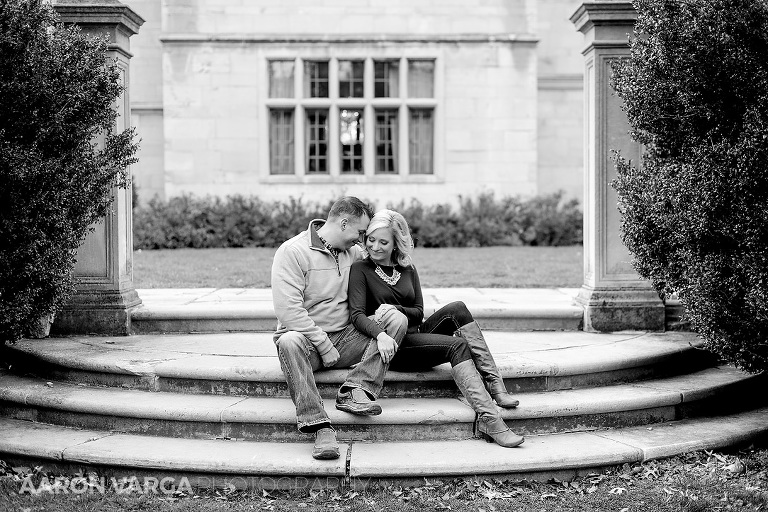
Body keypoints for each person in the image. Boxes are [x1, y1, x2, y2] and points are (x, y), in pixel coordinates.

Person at [348, 209, 524, 448]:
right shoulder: (361, 269)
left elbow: (419, 312)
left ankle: (495, 384)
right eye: (370, 239)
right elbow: (357, 315)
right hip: (394, 346)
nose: (375, 246)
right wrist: (383, 329)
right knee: (457, 346)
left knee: (458, 308)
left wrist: (394, 308)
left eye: (383, 241)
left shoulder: (407, 268)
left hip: (416, 333)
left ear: (396, 243)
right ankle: (490, 420)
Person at [272, 197, 408, 460]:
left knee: (395, 319)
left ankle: (355, 389)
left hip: (347, 338)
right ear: (344, 223)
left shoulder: (353, 253)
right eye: (360, 233)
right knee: (288, 341)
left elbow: (386, 260)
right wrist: (323, 344)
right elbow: (288, 311)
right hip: (308, 344)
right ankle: (320, 427)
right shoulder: (292, 252)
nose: (362, 240)